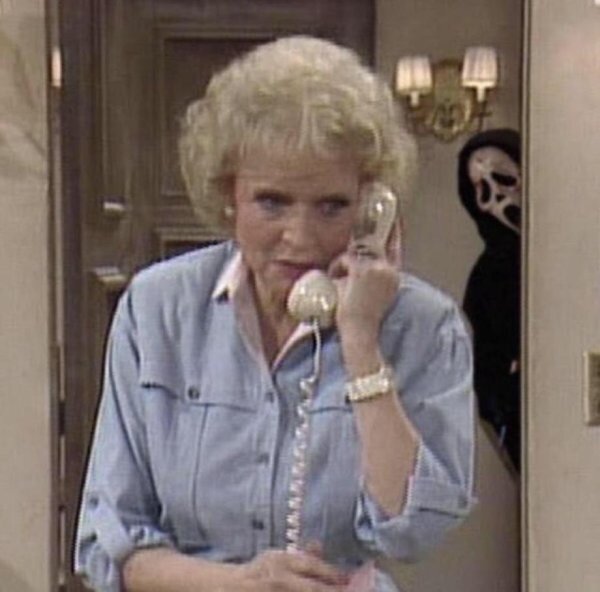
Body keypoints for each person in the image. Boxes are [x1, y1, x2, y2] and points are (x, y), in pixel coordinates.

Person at [74, 36, 476, 592]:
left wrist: (361, 341)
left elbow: (414, 532)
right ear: (228, 196)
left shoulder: (425, 325)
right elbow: (107, 547)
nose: (301, 237)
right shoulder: (157, 309)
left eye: (332, 206)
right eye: (272, 202)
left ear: (371, 206)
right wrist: (237, 584)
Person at [457, 128, 521, 473]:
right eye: (481, 190)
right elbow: (486, 380)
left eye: (505, 179)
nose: (496, 196)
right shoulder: (487, 279)